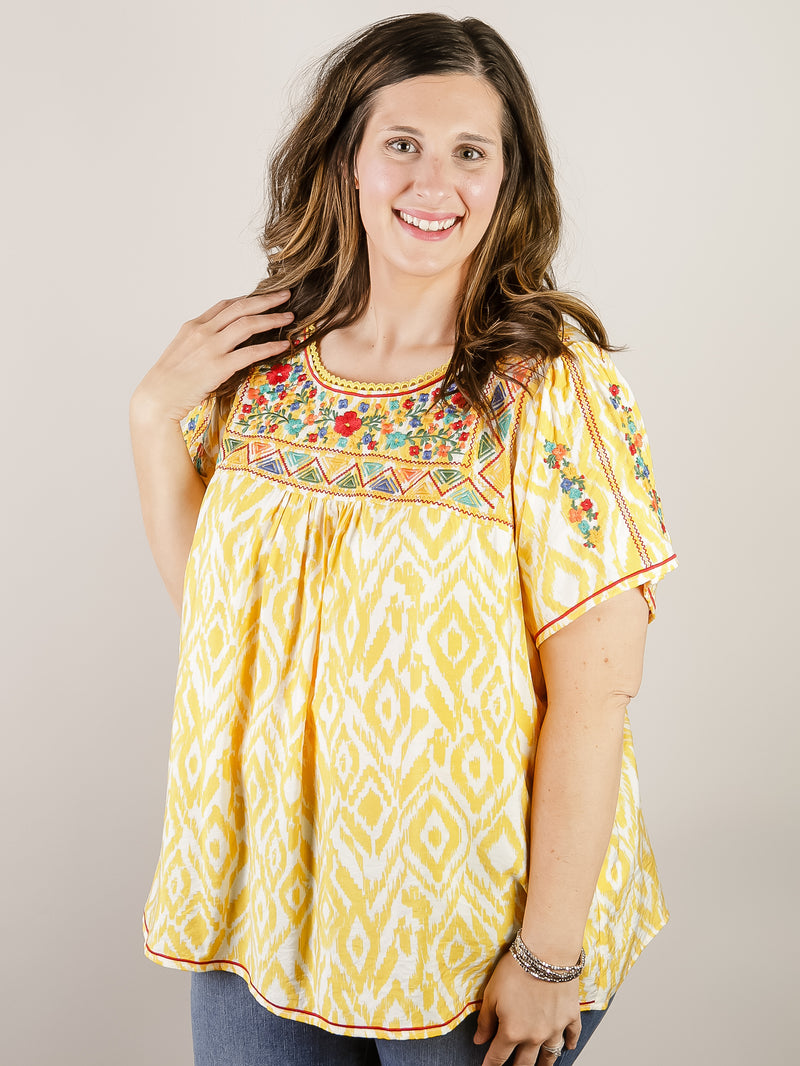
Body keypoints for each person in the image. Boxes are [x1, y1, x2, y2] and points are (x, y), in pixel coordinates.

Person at [130, 13, 677, 1066]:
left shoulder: (543, 382)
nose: (435, 183)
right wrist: (155, 418)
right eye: (401, 144)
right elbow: (221, 617)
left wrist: (547, 953)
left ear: (509, 179)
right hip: (265, 902)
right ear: (343, 157)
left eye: (471, 151)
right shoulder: (260, 357)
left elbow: (595, 691)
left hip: (466, 926)